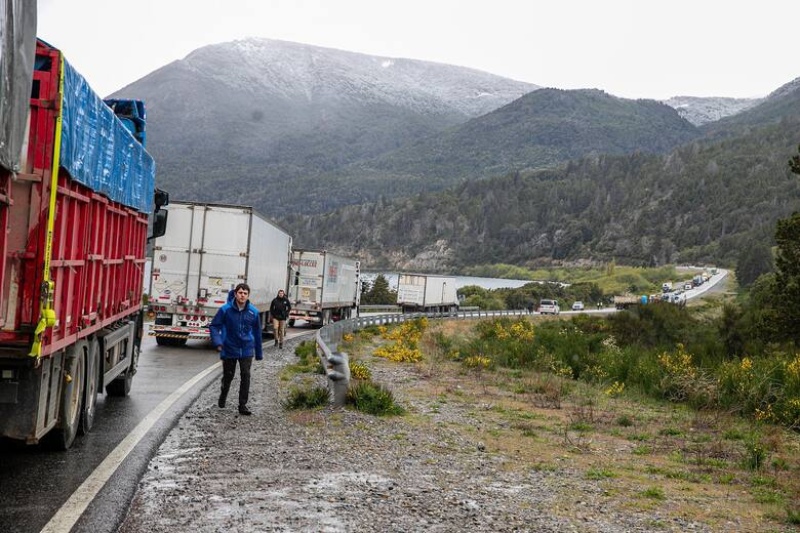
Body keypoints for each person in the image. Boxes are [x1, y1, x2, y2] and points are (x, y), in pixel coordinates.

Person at [210, 283, 263, 415]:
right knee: (229, 375)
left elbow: (257, 333)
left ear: (248, 295)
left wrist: (259, 353)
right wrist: (218, 342)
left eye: (245, 293)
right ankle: (223, 394)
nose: (242, 295)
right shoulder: (225, 310)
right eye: (240, 293)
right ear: (235, 294)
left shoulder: (253, 312)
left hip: (246, 349)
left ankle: (242, 405)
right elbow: (214, 326)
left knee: (246, 375)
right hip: (229, 348)